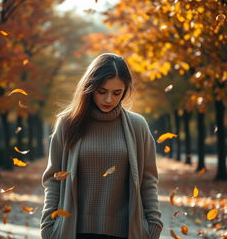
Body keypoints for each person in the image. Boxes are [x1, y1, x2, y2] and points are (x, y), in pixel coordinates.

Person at [40, 53, 163, 239]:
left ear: (125, 91)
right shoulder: (67, 123)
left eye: (117, 93)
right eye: (101, 91)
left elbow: (148, 180)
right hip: (74, 231)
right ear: (89, 88)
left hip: (125, 232)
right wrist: (49, 226)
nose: (108, 100)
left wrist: (153, 226)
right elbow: (53, 178)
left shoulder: (138, 126)